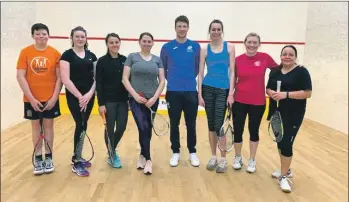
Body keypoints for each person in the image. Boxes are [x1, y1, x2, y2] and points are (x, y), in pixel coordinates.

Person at [16, 23, 62, 175]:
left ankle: (48, 159)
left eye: (44, 34)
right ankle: (38, 160)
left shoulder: (55, 53)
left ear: (48, 35)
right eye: (38, 34)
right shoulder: (25, 52)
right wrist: (32, 99)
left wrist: (54, 98)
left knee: (49, 127)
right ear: (33, 35)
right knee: (36, 127)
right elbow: (20, 76)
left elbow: (59, 77)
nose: (41, 36)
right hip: (31, 100)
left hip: (50, 99)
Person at [266, 45, 312, 193]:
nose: (287, 56)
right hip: (276, 111)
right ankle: (285, 169)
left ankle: (284, 177)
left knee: (286, 143)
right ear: (281, 56)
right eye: (284, 54)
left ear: (295, 57)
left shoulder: (302, 72)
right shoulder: (275, 71)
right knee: (280, 141)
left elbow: (307, 93)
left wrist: (285, 95)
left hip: (294, 113)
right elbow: (268, 88)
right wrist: (271, 92)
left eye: (291, 54)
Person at [232, 32, 278, 173]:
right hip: (239, 100)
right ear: (245, 43)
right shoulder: (238, 60)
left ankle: (252, 160)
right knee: (238, 130)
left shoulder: (265, 58)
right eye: (249, 42)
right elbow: (233, 79)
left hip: (258, 102)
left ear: (259, 44)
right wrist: (229, 95)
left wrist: (272, 88)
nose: (252, 45)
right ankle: (238, 157)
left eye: (254, 42)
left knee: (253, 131)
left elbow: (278, 71)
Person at [160, 15, 201, 167]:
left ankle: (192, 152)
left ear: (188, 28)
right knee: (174, 123)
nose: (182, 29)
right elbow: (162, 69)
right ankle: (175, 152)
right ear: (175, 28)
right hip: (173, 91)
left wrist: (187, 78)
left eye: (184, 26)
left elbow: (197, 68)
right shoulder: (167, 47)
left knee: (191, 123)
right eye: (179, 26)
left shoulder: (195, 46)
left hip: (190, 91)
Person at [122, 32, 165, 175]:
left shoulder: (158, 60)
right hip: (136, 100)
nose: (147, 43)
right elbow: (125, 79)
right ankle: (148, 159)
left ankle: (142, 155)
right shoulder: (132, 57)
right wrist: (134, 96)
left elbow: (162, 81)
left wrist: (154, 97)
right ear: (139, 42)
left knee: (147, 128)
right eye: (144, 41)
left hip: (152, 100)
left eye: (149, 41)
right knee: (143, 126)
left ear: (153, 43)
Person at [197, 19, 235, 173]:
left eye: (219, 29)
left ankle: (223, 159)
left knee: (220, 125)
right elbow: (200, 73)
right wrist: (200, 94)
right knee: (211, 124)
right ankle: (213, 156)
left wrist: (231, 93)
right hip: (207, 88)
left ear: (222, 31)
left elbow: (232, 72)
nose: (216, 32)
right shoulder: (204, 50)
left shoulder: (230, 47)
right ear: (210, 31)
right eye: (213, 29)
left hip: (223, 90)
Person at [60, 26, 97, 177]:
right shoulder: (66, 55)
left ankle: (78, 155)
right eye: (77, 36)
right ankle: (76, 162)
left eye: (82, 36)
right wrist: (80, 96)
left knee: (84, 124)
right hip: (74, 97)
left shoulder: (92, 55)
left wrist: (88, 95)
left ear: (86, 38)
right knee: (80, 124)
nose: (80, 39)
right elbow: (65, 79)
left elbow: (96, 78)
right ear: (72, 38)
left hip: (89, 96)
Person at [96, 33, 128, 168]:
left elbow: (128, 80)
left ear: (120, 43)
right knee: (109, 129)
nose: (114, 44)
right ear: (107, 44)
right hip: (108, 101)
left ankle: (111, 149)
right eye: (111, 42)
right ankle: (111, 153)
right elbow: (99, 84)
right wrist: (101, 104)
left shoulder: (125, 60)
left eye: (116, 42)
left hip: (123, 101)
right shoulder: (102, 61)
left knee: (121, 127)